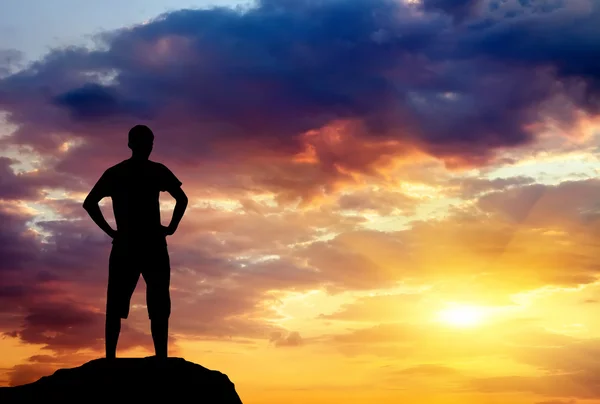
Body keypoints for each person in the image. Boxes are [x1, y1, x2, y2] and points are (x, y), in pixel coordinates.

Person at [83, 125, 188, 359]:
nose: (147, 147)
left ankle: (118, 357)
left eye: (149, 142)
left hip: (133, 243)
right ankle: (152, 357)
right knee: (142, 301)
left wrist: (112, 232)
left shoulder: (118, 172)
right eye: (145, 142)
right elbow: (182, 199)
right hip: (144, 243)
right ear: (132, 144)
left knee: (140, 302)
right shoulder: (152, 171)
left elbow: (90, 203)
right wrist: (170, 228)